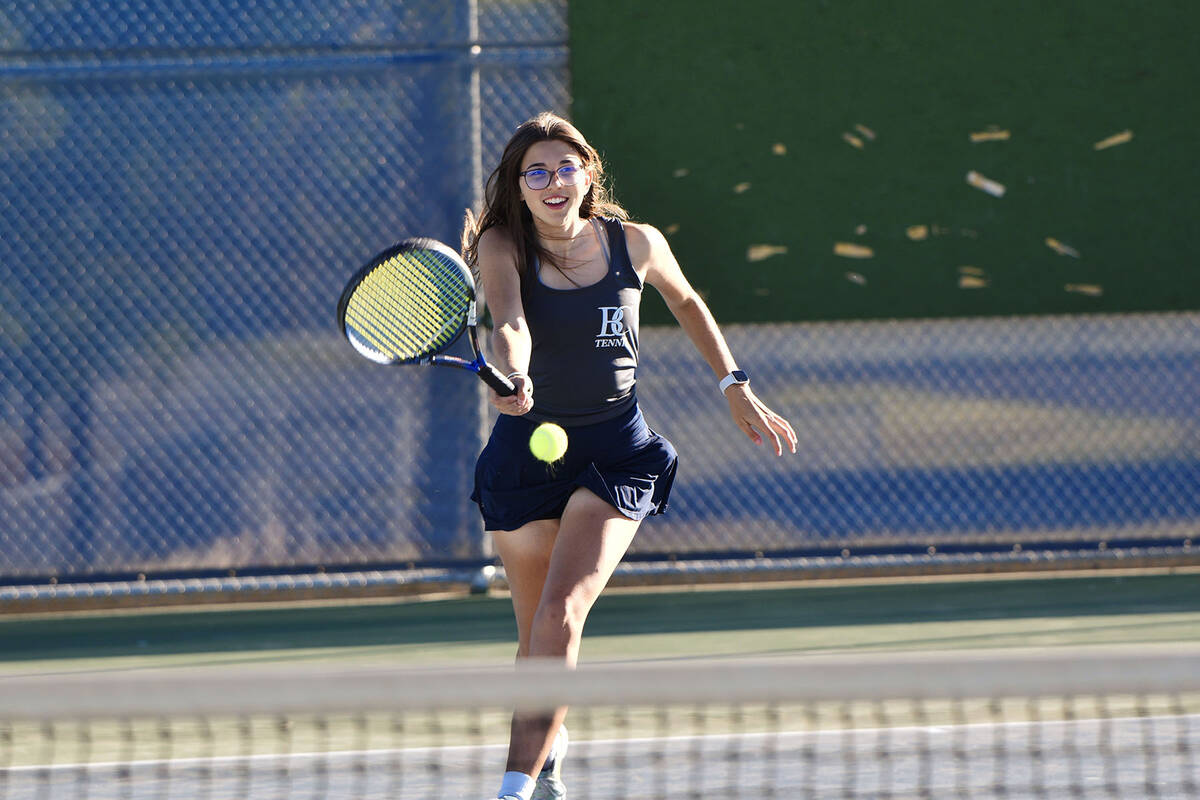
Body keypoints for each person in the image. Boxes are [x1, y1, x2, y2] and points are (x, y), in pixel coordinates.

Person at [464, 112, 797, 800]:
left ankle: (513, 788)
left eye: (565, 167)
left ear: (589, 170)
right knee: (537, 639)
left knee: (561, 612)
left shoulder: (636, 243)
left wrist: (735, 384)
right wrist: (515, 371)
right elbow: (510, 322)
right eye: (536, 172)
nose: (553, 182)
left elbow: (688, 299)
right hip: (524, 459)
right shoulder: (501, 245)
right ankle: (551, 744)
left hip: (617, 454)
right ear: (519, 188)